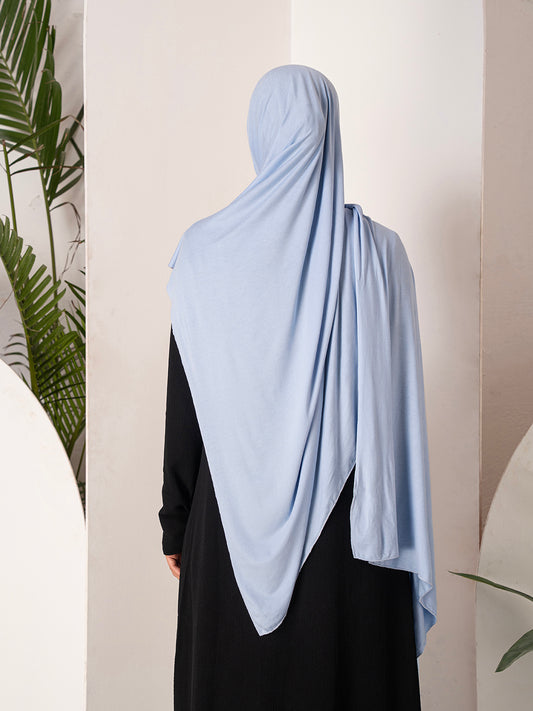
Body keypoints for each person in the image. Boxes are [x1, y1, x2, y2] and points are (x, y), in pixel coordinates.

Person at [159, 64, 437, 711]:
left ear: (259, 133)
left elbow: (186, 403)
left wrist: (176, 522)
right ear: (330, 131)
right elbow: (397, 420)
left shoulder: (202, 253)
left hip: (226, 539)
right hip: (350, 543)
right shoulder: (379, 253)